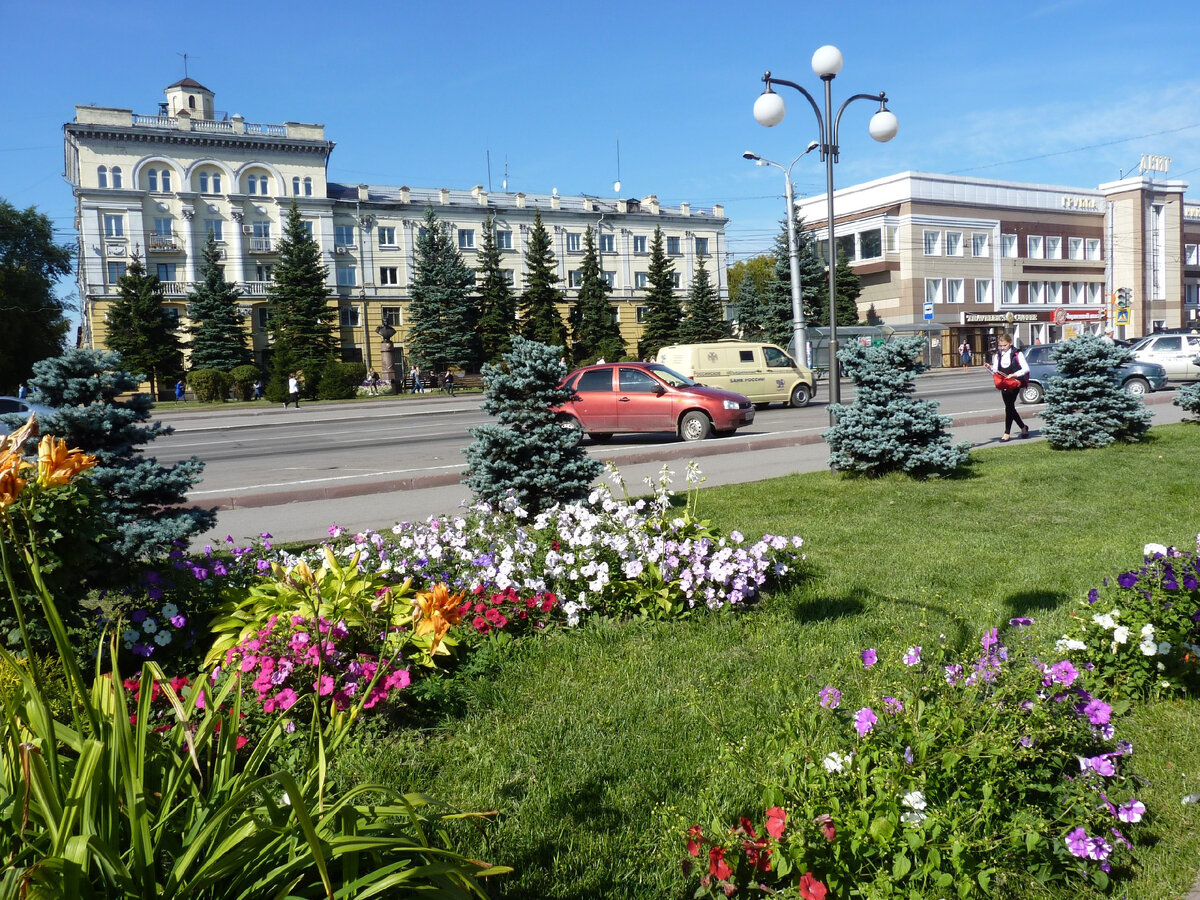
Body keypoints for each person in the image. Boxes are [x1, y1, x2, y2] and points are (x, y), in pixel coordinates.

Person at [989, 331, 1029, 441]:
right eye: (1000, 346)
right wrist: (989, 368)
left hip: (1014, 383)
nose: (1002, 348)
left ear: (1010, 343)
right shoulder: (998, 355)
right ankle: (1023, 427)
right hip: (1004, 383)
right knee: (1010, 407)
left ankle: (1007, 433)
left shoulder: (1017, 353)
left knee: (1009, 407)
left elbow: (1026, 369)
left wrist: (1014, 374)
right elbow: (995, 371)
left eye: (1004, 345)